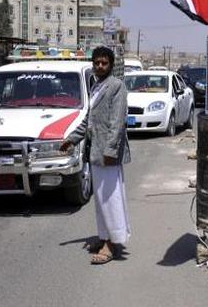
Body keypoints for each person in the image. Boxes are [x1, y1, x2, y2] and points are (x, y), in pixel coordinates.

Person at [61, 46, 131, 264]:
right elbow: (88, 121)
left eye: (104, 63)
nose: (100, 66)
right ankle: (104, 237)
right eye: (97, 63)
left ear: (110, 65)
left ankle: (113, 243)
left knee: (111, 200)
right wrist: (71, 139)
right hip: (95, 154)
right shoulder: (96, 85)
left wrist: (110, 150)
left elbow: (117, 122)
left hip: (108, 155)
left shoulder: (116, 86)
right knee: (100, 201)